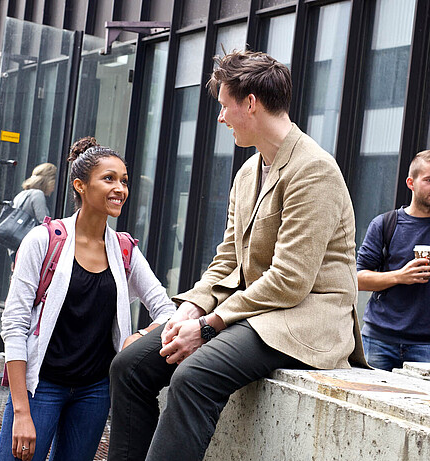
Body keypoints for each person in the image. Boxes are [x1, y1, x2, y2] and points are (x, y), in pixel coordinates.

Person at [107, 50, 367, 461]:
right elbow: (227, 258)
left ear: (251, 103)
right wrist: (191, 307)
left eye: (224, 106)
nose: (220, 117)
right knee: (130, 366)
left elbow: (290, 281)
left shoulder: (315, 169)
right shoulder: (248, 172)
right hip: (253, 311)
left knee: (192, 376)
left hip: (302, 318)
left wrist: (209, 327)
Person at [0, 137, 176, 461]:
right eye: (109, 179)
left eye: (124, 181)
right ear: (80, 185)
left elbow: (167, 310)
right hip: (41, 388)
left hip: (94, 392)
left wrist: (141, 337)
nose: (120, 188)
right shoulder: (43, 240)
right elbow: (14, 324)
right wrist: (21, 410)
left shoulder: (125, 250)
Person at [356, 150, 430, 371]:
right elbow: (359, 279)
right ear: (411, 182)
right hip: (378, 339)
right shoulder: (384, 224)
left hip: (427, 343)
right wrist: (400, 276)